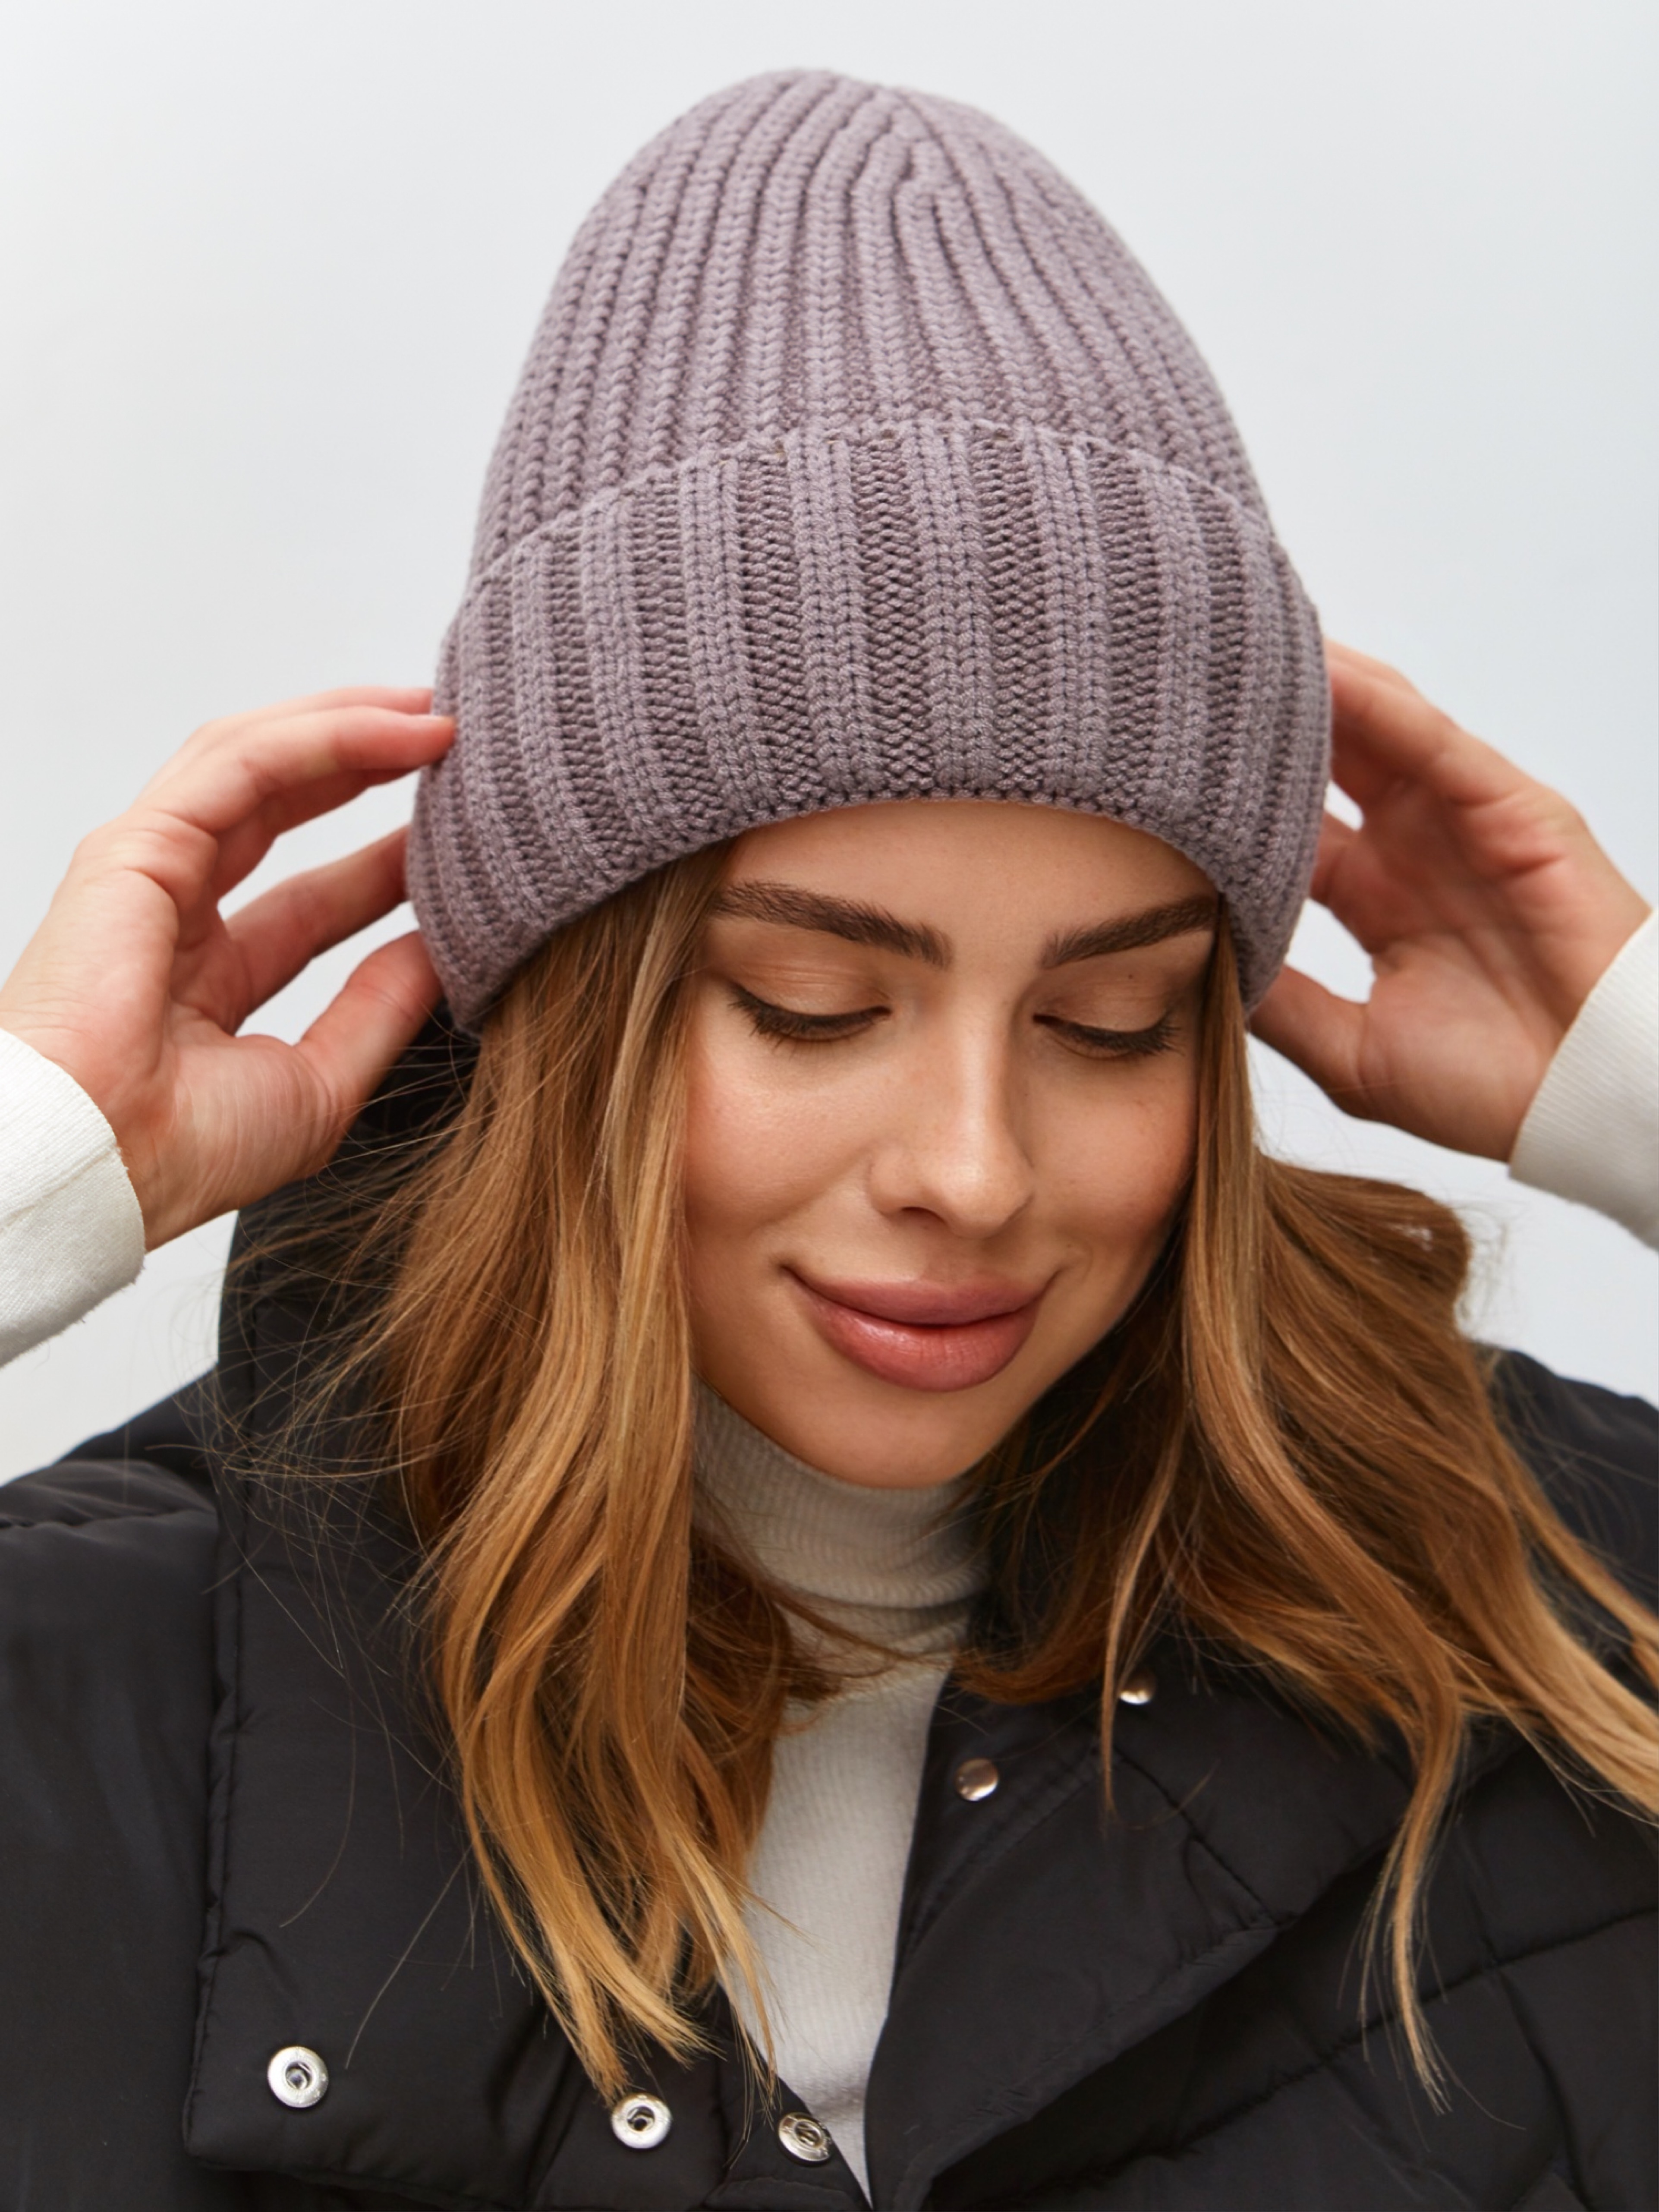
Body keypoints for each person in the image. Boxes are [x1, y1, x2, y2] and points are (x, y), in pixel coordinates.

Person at [0, 69, 1653, 2212]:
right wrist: (39, 1155)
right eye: (810, 1004)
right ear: (568, 1009)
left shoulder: (1551, 1606)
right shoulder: (96, 1690)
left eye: (1110, 1022)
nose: (972, 1168)